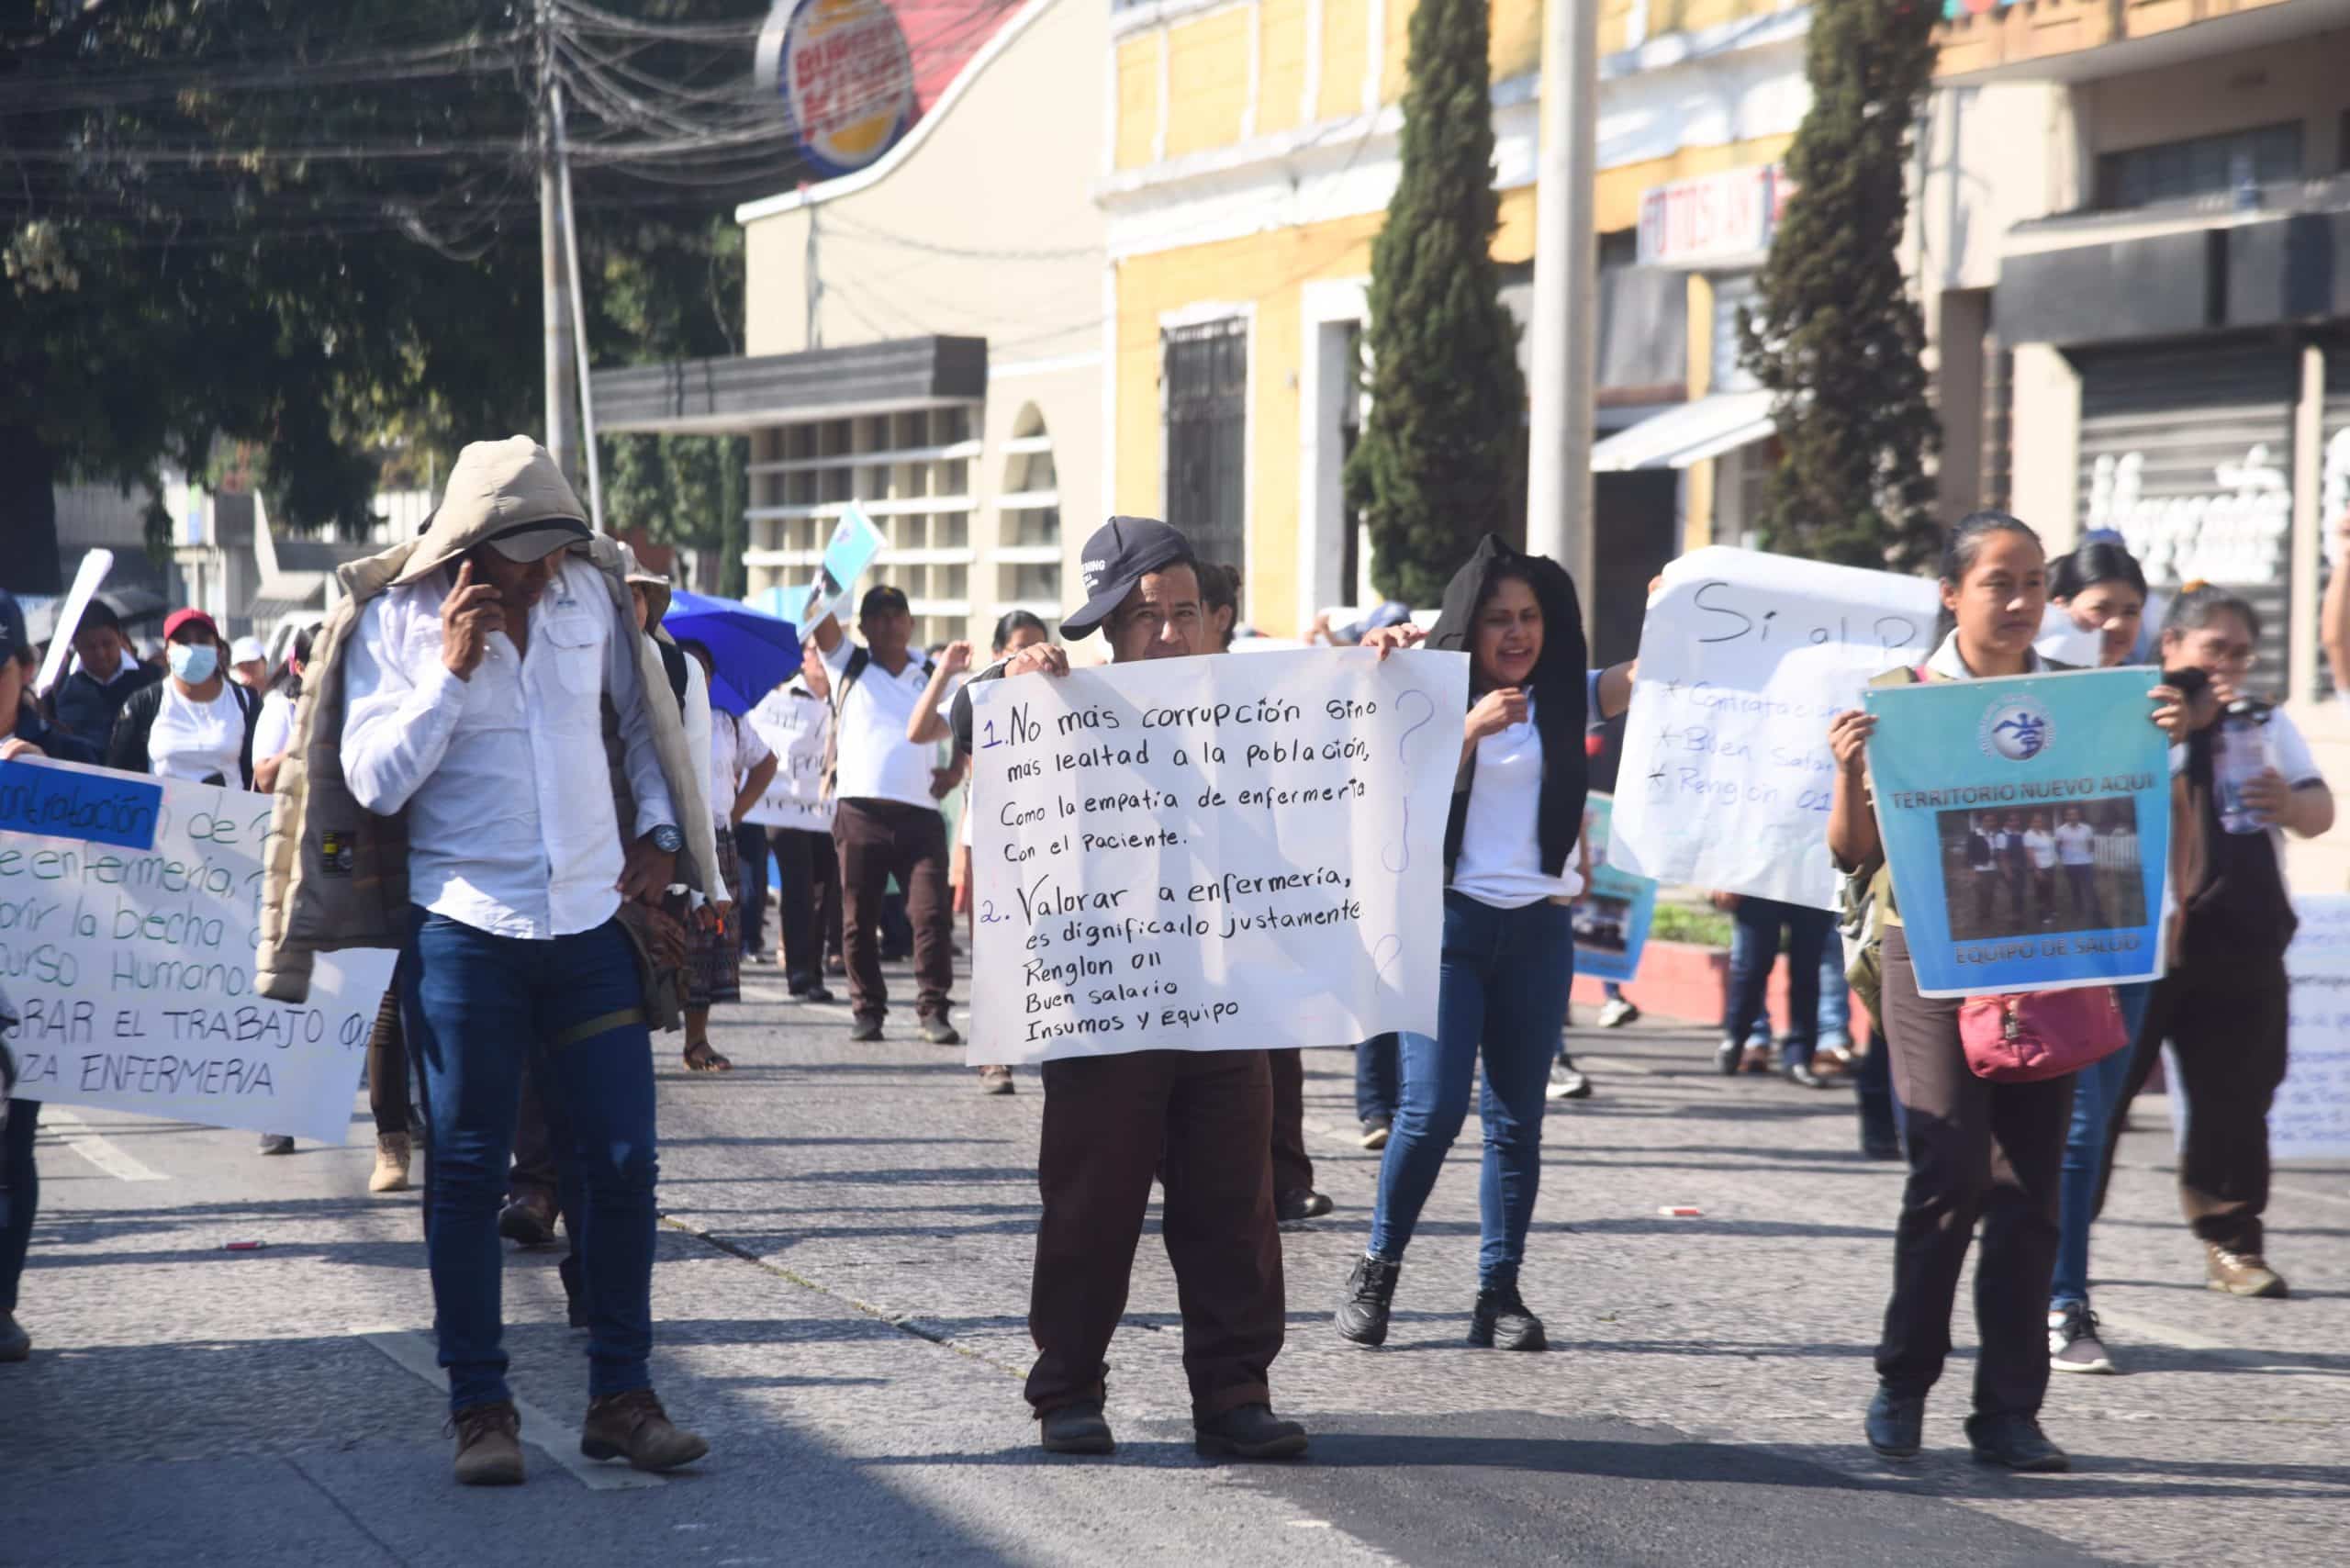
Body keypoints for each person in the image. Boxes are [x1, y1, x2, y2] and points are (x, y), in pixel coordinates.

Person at [327, 436, 712, 1484]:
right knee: (462, 1169)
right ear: (473, 548)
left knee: (624, 1161)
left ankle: (623, 1396)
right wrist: (449, 673)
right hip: (464, 928)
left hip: (590, 922)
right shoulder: (402, 623)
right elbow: (374, 783)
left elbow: (646, 721)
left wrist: (658, 831)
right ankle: (478, 1408)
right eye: (525, 553)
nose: (544, 569)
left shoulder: (592, 596)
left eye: (554, 548)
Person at [1827, 510, 2192, 1473]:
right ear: (1951, 593)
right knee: (1947, 1166)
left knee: (2031, 1189)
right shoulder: (1899, 700)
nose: (2022, 600)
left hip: (2043, 957)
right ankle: (1902, 1381)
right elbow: (1852, 855)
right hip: (1928, 956)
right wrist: (1846, 772)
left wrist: (2158, 745)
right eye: (2000, 581)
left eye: (2034, 580)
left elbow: (2127, 818)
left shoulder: (2084, 701)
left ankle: (2009, 1411)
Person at [955, 515, 1305, 1462]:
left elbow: (1361, 730)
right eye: (1150, 617)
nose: (1172, 634)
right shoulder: (1060, 697)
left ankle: (1234, 1395)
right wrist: (1008, 679)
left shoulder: (1246, 699)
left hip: (1227, 1000)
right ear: (1109, 623)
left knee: (1236, 1207)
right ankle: (1068, 1389)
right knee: (1090, 1206)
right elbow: (964, 723)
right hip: (1106, 999)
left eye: (1187, 613)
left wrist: (1393, 662)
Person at [1336, 532, 1589, 1356]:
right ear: (1466, 628)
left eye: (1530, 618)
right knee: (1432, 1109)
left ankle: (1498, 1291)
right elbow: (1389, 787)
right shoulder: (1428, 695)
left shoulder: (1564, 696)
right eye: (1497, 620)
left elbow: (1646, 681)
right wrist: (1466, 726)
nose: (1517, 634)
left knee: (1517, 1123)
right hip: (1447, 929)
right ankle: (1378, 1268)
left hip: (1540, 933)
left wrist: (1673, 612)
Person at [2099, 582, 2333, 1304]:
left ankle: (2232, 1244)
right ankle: (2054, 1242)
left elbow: (2318, 810)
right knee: (2099, 1096)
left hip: (2242, 938)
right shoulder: (2132, 714)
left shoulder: (2262, 720)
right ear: (2172, 647)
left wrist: (2289, 804)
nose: (2229, 664)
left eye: (2241, 652)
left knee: (2235, 1100)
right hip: (2143, 939)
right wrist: (2184, 727)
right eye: (2214, 648)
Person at [2041, 540, 2152, 1374]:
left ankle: (2048, 1273)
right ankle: (2061, 1300)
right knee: (2074, 1131)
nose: (2114, 625)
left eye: (2128, 611)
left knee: (2094, 1130)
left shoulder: (2161, 699)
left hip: (2136, 944)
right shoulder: (2025, 695)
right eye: (2097, 608)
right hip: (2036, 943)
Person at [0, 589, 103, 1366]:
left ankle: (1, 1301)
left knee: (10, 1151)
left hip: (23, 1002)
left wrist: (45, 780)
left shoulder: (56, 756)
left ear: (27, 670)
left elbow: (141, 837)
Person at [809, 586, 960, 1045]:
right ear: (863, 625)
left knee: (931, 914)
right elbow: (817, 616)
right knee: (858, 918)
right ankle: (867, 1009)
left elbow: (966, 725)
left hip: (920, 815)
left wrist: (954, 771)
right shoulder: (846, 664)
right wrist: (831, 580)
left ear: (911, 624)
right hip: (859, 812)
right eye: (878, 615)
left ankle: (934, 1009)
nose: (889, 622)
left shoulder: (934, 672)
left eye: (898, 614)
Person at [912, 610, 1049, 1094]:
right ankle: (996, 1057)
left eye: (1038, 646)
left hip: (1051, 845)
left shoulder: (1062, 696)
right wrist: (947, 674)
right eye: (1018, 647)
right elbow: (921, 728)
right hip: (992, 841)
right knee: (995, 951)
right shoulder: (980, 697)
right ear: (998, 653)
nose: (1029, 656)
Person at [677, 639, 774, 1074]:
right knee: (665, 942)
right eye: (686, 665)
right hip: (669, 843)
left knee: (712, 942)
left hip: (718, 840)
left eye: (704, 669)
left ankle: (696, 1041)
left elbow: (767, 762)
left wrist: (735, 814)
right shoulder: (655, 714)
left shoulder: (727, 720)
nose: (696, 675)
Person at [761, 644, 842, 1002]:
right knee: (798, 883)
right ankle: (800, 970)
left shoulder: (844, 696)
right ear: (803, 656)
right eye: (813, 651)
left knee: (825, 887)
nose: (820, 658)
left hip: (827, 807)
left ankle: (815, 966)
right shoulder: (782, 698)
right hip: (785, 808)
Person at [106, 608, 260, 788]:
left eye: (202, 641)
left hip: (230, 814)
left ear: (218, 651)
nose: (193, 648)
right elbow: (118, 774)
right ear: (167, 653)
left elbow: (257, 773)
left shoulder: (246, 703)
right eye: (183, 641)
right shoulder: (144, 704)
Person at [49, 599, 161, 755]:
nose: (100, 654)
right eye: (90, 647)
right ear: (75, 645)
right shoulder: (59, 687)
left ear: (120, 638)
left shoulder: (152, 678)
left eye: (107, 644)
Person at [251, 624, 315, 795]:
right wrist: (306, 739)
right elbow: (265, 780)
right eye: (324, 662)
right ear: (301, 668)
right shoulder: (282, 708)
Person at [2022, 813, 2060, 926]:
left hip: (2050, 866)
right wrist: (2036, 870)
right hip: (2039, 868)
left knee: (2050, 890)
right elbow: (2029, 853)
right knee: (2041, 893)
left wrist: (2054, 862)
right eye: (2035, 821)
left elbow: (2050, 849)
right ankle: (2043, 916)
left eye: (2040, 821)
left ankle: (2051, 910)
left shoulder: (2045, 833)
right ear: (2031, 823)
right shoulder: (2028, 835)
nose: (2038, 823)